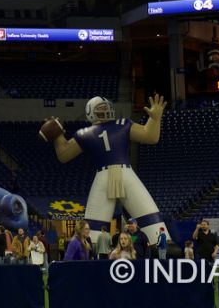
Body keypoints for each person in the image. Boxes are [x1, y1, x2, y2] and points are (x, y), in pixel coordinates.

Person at [43, 95, 169, 250]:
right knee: (100, 228)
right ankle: (162, 246)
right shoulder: (121, 124)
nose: (104, 111)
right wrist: (155, 119)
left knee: (144, 216)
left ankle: (162, 246)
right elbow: (150, 136)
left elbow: (63, 155)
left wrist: (57, 136)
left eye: (105, 108)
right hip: (121, 174)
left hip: (111, 175)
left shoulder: (86, 132)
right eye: (100, 109)